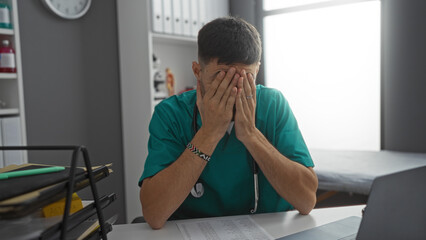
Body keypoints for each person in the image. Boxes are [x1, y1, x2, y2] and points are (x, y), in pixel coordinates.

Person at [139, 17, 318, 229]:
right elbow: (154, 214)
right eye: (221, 77)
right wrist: (209, 134)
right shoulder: (170, 114)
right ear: (198, 71)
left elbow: (307, 201)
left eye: (245, 78)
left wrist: (251, 135)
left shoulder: (273, 105)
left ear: (257, 70)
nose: (233, 89)